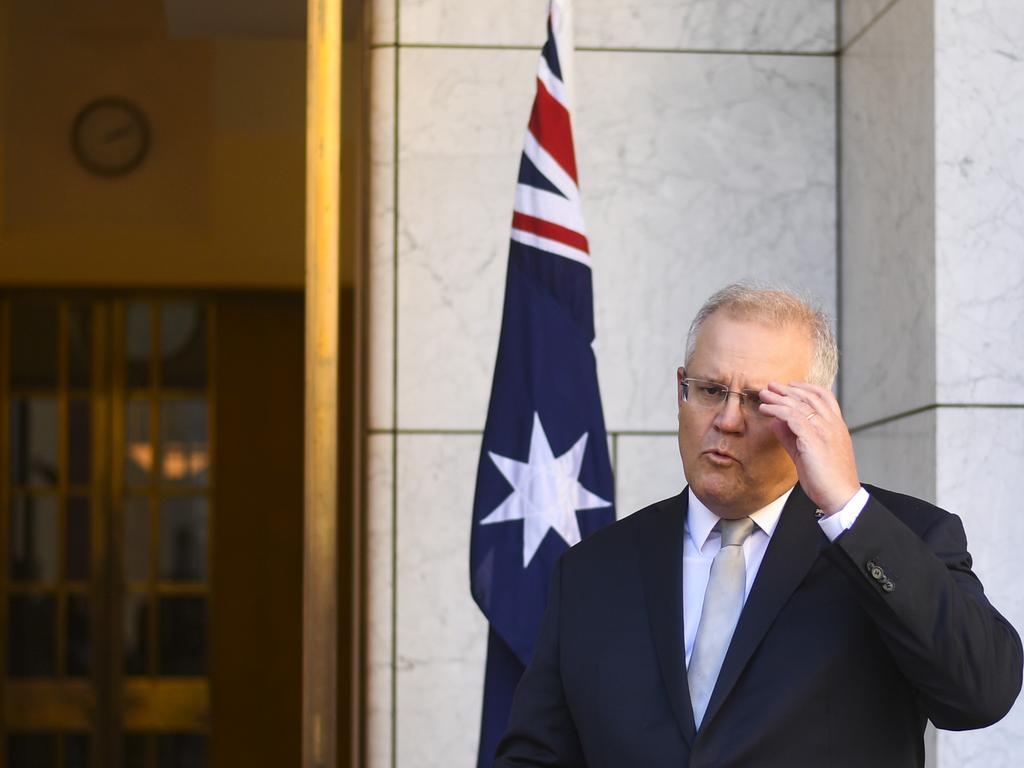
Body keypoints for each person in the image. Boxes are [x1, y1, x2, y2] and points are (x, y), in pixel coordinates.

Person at [493, 283, 1022, 767]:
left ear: (812, 414)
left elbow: (981, 693)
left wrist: (845, 507)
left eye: (759, 400)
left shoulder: (897, 539)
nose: (727, 419)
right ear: (681, 388)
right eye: (710, 390)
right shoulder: (591, 570)